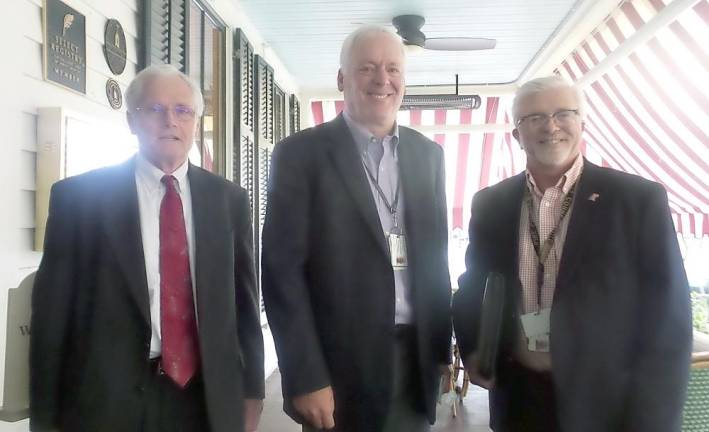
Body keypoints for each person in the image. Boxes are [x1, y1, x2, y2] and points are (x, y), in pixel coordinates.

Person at [30, 64, 265, 432]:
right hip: (105, 401)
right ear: (131, 121)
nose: (169, 121)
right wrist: (44, 417)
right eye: (154, 110)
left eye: (182, 110)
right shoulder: (79, 199)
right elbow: (51, 315)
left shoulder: (228, 200)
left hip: (205, 399)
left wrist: (253, 394)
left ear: (195, 122)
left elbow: (245, 306)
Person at [452, 75, 692, 431]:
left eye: (564, 113)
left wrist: (655, 419)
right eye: (534, 118)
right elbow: (473, 286)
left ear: (582, 124)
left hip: (608, 406)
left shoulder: (637, 200)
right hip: (518, 399)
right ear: (517, 135)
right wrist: (474, 351)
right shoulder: (491, 203)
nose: (551, 126)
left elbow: (668, 319)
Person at [262, 26, 452, 432]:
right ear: (341, 79)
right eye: (366, 68)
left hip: (415, 362)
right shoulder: (300, 155)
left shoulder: (429, 155)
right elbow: (282, 275)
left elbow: (436, 261)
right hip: (336, 370)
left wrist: (440, 350)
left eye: (392, 68)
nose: (382, 80)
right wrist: (306, 374)